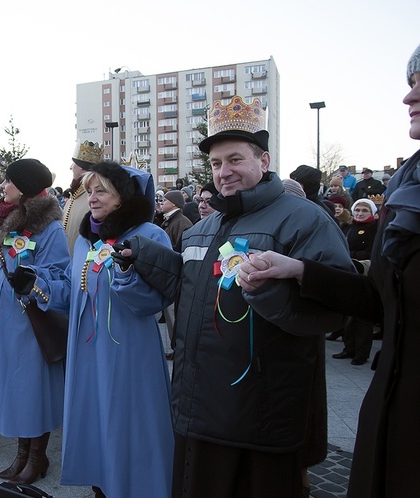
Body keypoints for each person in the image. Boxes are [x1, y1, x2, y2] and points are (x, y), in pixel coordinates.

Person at [132, 96, 353, 498]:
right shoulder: (203, 227)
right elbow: (187, 284)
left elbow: (338, 308)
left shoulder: (304, 219)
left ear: (264, 161)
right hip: (197, 406)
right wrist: (143, 255)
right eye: (216, 164)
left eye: (235, 159)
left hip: (258, 416)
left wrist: (269, 291)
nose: (224, 172)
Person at [241, 47, 420, 498]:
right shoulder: (408, 194)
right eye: (411, 82)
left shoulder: (311, 216)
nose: (407, 97)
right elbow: (379, 301)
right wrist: (299, 270)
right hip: (397, 409)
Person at [16, 161, 174, 497]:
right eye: (89, 191)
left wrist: (127, 275)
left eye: (101, 190)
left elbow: (155, 301)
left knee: (127, 419)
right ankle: (102, 482)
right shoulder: (88, 242)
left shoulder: (150, 234)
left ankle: (134, 484)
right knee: (95, 416)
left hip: (127, 351)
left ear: (123, 196)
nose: (93, 198)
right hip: (86, 351)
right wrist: (36, 286)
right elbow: (76, 292)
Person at [0, 159, 68, 484]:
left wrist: (33, 281)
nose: (3, 187)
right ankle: (21, 453)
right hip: (4, 321)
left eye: (9, 182)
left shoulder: (50, 228)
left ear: (26, 189)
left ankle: (37, 456)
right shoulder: (5, 224)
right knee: (15, 390)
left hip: (31, 322)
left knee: (32, 390)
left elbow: (59, 275)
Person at [331, 198, 379, 366]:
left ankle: (361, 352)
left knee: (363, 317)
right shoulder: (348, 227)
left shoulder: (375, 229)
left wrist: (351, 255)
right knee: (349, 313)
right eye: (357, 210)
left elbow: (371, 252)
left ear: (372, 212)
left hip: (366, 273)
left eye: (364, 210)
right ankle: (349, 347)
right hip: (350, 271)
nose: (360, 213)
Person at [62, 140, 103, 254]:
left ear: (82, 168)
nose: (71, 167)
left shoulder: (94, 201)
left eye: (74, 164)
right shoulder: (73, 197)